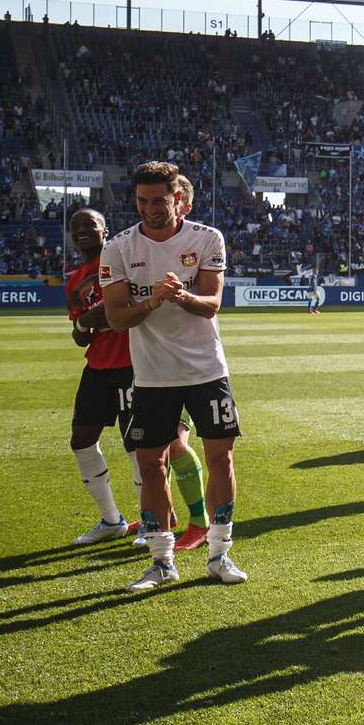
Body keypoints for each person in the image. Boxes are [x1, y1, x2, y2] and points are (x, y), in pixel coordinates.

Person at [99, 161, 244, 590]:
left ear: (177, 197)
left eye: (159, 200)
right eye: (142, 201)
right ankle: (161, 561)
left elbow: (213, 303)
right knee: (151, 463)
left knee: (221, 457)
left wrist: (180, 295)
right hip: (152, 375)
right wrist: (152, 302)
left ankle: (220, 553)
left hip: (206, 369)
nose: (150, 209)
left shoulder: (206, 238)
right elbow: (117, 318)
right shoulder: (119, 248)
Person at [64, 209, 208, 552]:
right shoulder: (75, 281)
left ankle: (151, 521)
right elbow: (79, 335)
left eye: (91, 226)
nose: (83, 232)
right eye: (76, 228)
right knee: (81, 440)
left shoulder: (124, 260)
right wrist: (86, 322)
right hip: (98, 366)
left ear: (104, 231)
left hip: (136, 365)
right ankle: (111, 520)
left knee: (140, 446)